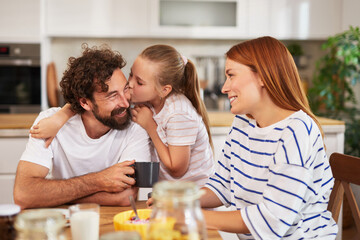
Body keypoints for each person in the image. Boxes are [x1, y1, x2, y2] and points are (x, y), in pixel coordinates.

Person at [200, 37, 338, 239]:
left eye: (231, 76)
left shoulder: (297, 132)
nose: (224, 88)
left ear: (262, 77)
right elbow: (223, 184)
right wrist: (178, 201)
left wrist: (191, 216)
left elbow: (272, 221)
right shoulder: (242, 123)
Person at [31, 44, 214, 187]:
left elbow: (177, 169)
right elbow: (88, 98)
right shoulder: (149, 98)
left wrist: (150, 126)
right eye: (131, 76)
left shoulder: (179, 113)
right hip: (171, 193)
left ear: (164, 90)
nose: (130, 86)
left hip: (196, 196)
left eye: (139, 82)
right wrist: (60, 117)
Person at [13, 44, 153, 209]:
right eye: (112, 95)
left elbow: (125, 197)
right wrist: (100, 180)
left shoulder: (138, 126)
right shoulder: (49, 122)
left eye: (125, 89)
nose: (125, 102)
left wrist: (54, 196)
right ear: (85, 102)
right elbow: (24, 194)